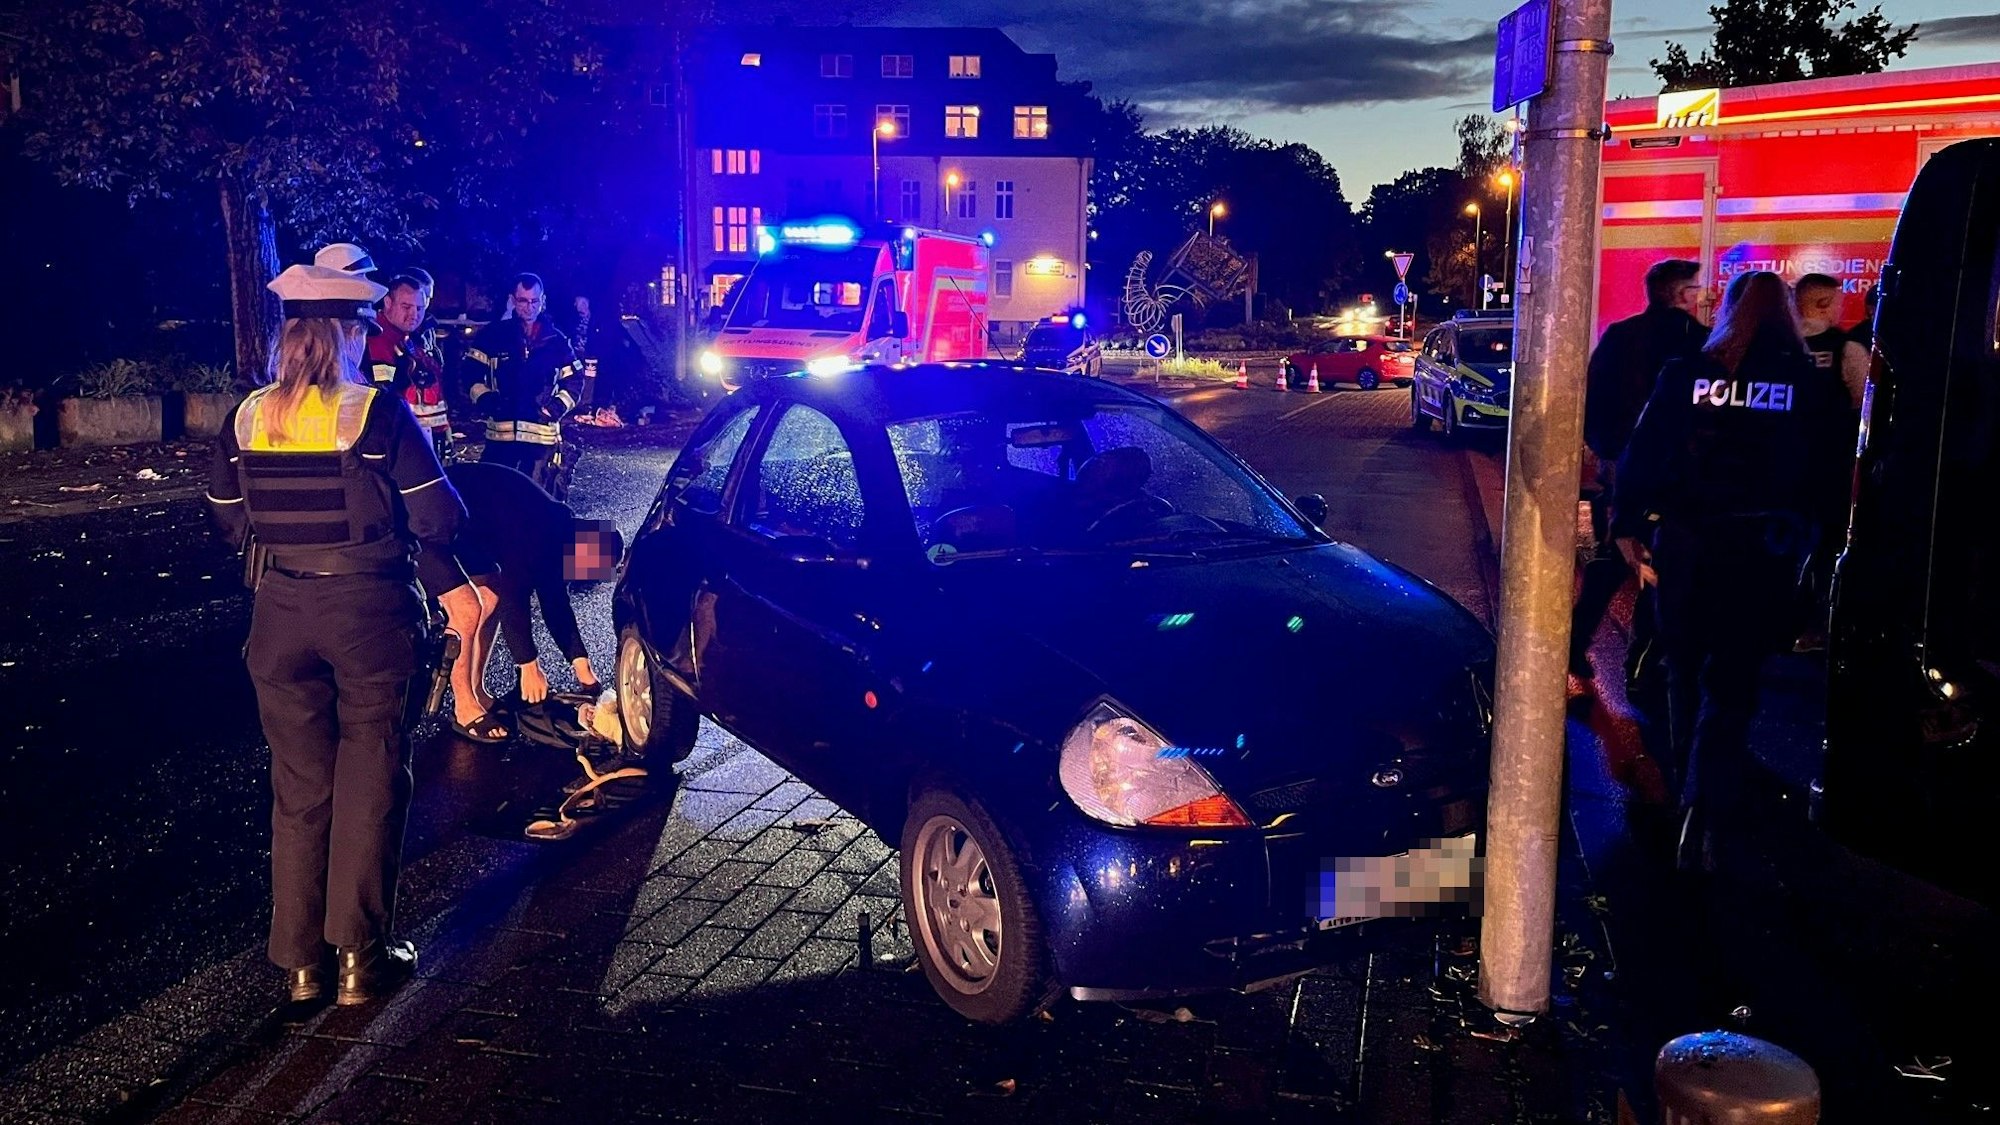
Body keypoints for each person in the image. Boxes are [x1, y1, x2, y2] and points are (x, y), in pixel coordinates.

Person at [205, 263, 484, 1009]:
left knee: (299, 789)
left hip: (279, 616)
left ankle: (299, 967)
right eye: (361, 328)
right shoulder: (377, 414)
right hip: (368, 614)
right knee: (372, 776)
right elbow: (439, 519)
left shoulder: (246, 416)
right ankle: (360, 957)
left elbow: (230, 521)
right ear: (350, 332)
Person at [1612, 270, 1849, 873]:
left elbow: (1644, 452)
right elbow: (1827, 473)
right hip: (1763, 547)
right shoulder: (1807, 383)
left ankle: (1684, 781)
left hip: (1689, 541)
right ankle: (1707, 802)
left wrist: (1630, 525)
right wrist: (1821, 544)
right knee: (1736, 679)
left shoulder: (1686, 373)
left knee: (1683, 667)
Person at [1571, 258, 1707, 688]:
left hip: (1618, 469)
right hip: (1670, 476)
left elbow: (1591, 398)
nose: (1702, 295)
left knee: (1611, 560)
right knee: (1660, 565)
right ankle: (1643, 661)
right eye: (1695, 288)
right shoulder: (1698, 344)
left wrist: (1606, 452)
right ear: (1680, 294)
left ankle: (1576, 643)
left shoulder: (1618, 336)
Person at [443, 461, 621, 729]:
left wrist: (582, 666)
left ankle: (477, 690)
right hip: (439, 515)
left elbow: (556, 603)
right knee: (468, 609)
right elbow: (514, 598)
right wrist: (528, 665)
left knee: (489, 598)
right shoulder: (535, 533)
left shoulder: (559, 533)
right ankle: (463, 705)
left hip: (476, 524)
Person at [1791, 273, 1870, 652]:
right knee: (1826, 546)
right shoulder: (1847, 348)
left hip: (1780, 469)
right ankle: (1813, 626)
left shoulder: (1777, 345)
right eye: (1837, 301)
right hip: (1829, 468)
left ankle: (1775, 622)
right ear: (1823, 304)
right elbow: (1861, 406)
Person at [461, 273, 586, 496]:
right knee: (496, 504)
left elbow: (575, 380)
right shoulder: (492, 336)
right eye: (523, 301)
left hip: (541, 443)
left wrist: (556, 408)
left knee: (537, 508)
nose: (529, 307)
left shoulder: (557, 342)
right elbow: (470, 373)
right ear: (512, 300)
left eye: (534, 301)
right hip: (500, 440)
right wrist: (486, 400)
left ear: (542, 302)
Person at [367, 274, 453, 460]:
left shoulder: (407, 339)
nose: (414, 315)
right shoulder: (379, 340)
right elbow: (382, 397)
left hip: (419, 437)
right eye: (406, 307)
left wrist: (442, 430)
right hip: (401, 442)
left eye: (420, 308)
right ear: (388, 303)